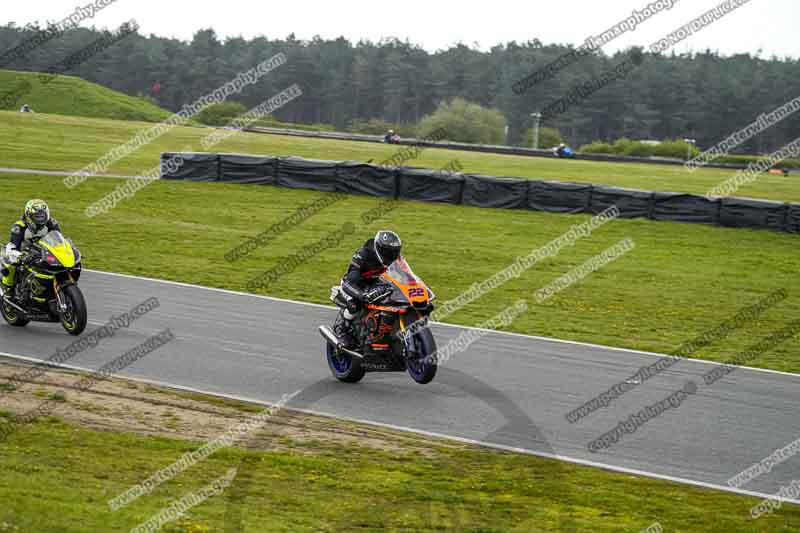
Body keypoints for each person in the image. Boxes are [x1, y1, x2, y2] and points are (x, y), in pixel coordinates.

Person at [335, 230, 402, 348]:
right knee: (355, 305)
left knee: (394, 299)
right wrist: (362, 295)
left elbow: (404, 275)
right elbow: (349, 282)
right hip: (353, 285)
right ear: (379, 249)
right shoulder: (363, 255)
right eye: (388, 252)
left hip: (375, 284)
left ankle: (384, 332)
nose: (391, 256)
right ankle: (342, 331)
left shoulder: (395, 259)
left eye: (394, 252)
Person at [1, 200, 61, 298]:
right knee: (10, 260)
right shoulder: (19, 226)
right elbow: (12, 246)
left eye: (43, 215)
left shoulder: (52, 223)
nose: (41, 219)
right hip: (23, 252)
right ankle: (8, 290)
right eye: (37, 216)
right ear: (29, 215)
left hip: (43, 252)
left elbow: (59, 239)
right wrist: (19, 255)